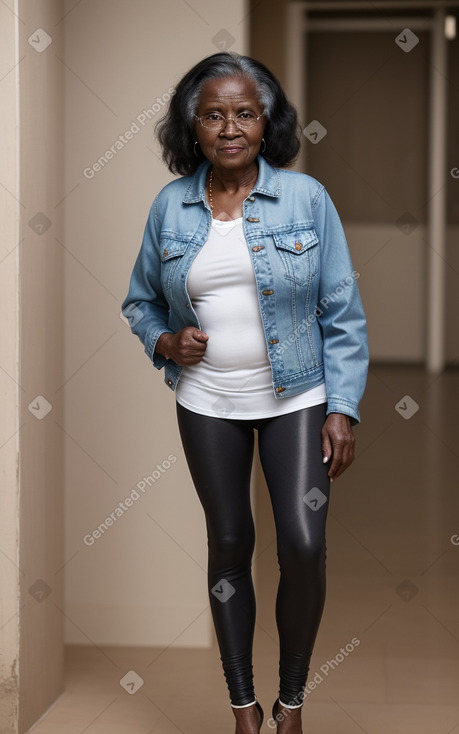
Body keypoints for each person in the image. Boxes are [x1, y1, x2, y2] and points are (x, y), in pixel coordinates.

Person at [121, 52, 369, 734]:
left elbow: (341, 312)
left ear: (266, 123)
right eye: (212, 115)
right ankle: (243, 709)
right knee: (229, 541)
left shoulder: (305, 199)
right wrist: (166, 343)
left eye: (244, 113)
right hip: (208, 401)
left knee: (301, 542)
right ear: (191, 127)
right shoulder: (169, 207)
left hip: (297, 395)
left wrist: (342, 407)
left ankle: (291, 704)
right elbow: (140, 303)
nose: (229, 127)